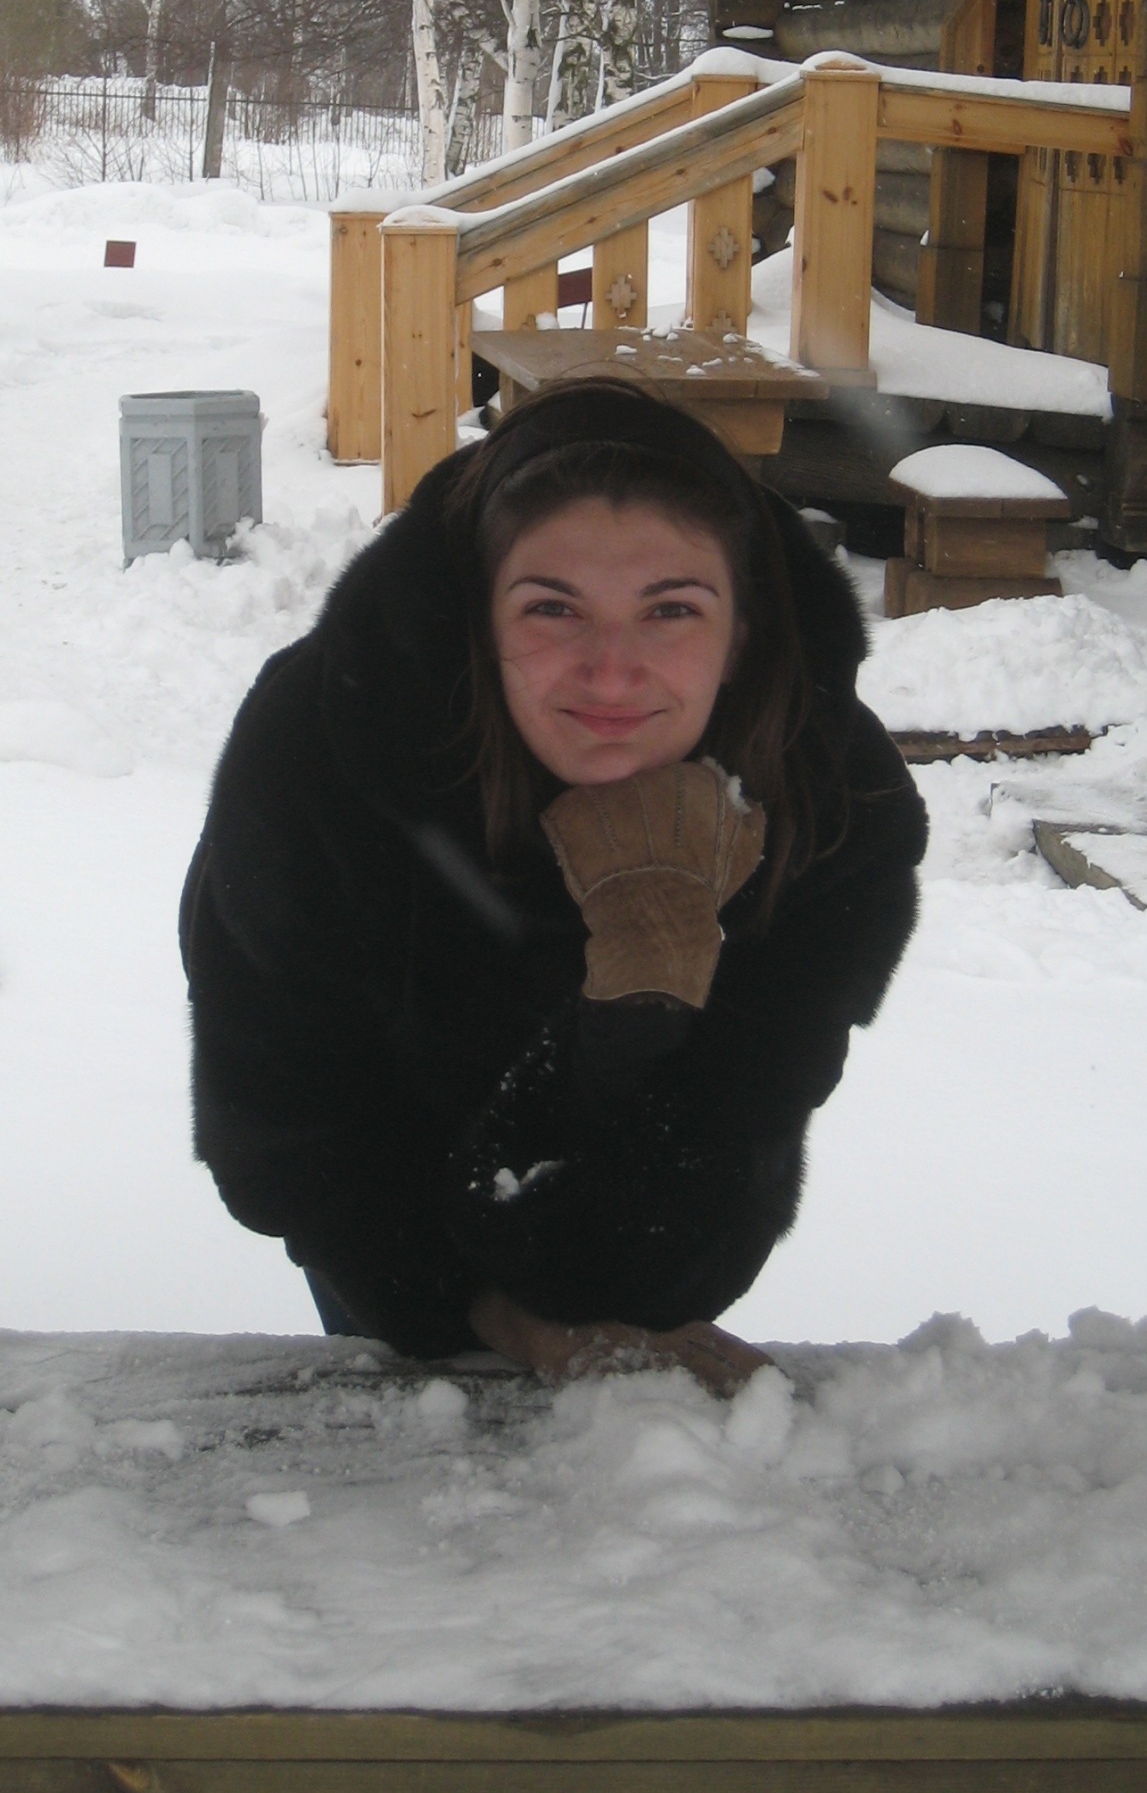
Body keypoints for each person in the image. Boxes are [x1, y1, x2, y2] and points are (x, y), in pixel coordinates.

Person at [180, 381, 927, 1395]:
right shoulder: (323, 751)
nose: (610, 673)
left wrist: (644, 992)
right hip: (392, 1228)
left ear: (741, 634)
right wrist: (475, 1308)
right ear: (479, 619)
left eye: (671, 609)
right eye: (552, 608)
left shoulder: (828, 799)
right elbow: (288, 1134)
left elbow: (718, 1175)